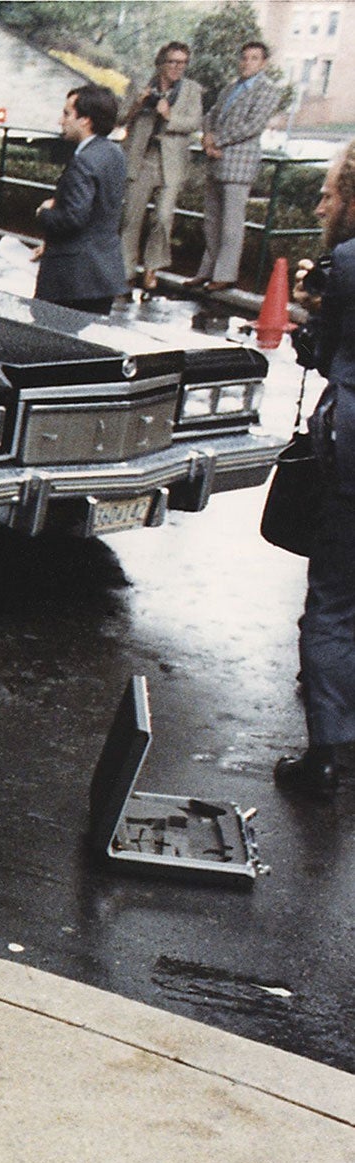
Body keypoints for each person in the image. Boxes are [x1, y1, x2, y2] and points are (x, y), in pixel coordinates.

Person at [275, 147, 355, 799]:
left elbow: (322, 354)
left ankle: (325, 755)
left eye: (330, 193)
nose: (321, 204)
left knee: (332, 599)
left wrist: (311, 302)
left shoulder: (347, 265)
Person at [188, 41, 280, 294]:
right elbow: (211, 115)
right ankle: (206, 271)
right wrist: (207, 137)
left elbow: (252, 126)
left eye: (253, 58)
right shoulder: (230, 88)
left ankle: (225, 275)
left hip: (239, 163)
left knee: (231, 223)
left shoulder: (267, 90)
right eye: (244, 57)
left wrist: (218, 139)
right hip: (216, 159)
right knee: (212, 221)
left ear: (263, 63)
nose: (246, 62)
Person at [118, 41, 203, 295]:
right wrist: (138, 104)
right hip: (142, 157)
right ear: (161, 63)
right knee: (131, 217)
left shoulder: (191, 90)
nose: (178, 67)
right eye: (172, 62)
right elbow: (120, 118)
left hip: (171, 162)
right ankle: (126, 271)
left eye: (183, 63)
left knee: (163, 217)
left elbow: (193, 122)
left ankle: (152, 268)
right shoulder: (142, 84)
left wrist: (168, 116)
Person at [35, 85, 127, 315]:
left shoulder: (83, 162)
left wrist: (44, 212)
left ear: (85, 120)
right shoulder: (114, 153)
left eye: (67, 114)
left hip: (72, 279)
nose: (60, 121)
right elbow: (102, 212)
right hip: (103, 274)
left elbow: (73, 218)